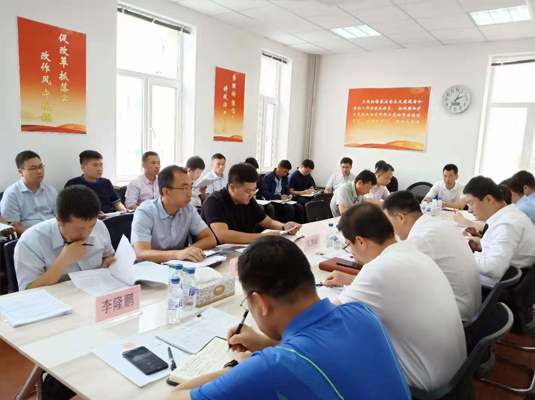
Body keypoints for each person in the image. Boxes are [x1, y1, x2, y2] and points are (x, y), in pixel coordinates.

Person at [165, 236, 411, 400]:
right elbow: (322, 349)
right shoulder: (361, 312)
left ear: (260, 302)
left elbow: (173, 397)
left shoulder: (273, 366)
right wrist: (264, 344)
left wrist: (240, 367)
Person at [324, 203, 466, 391]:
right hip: (455, 372)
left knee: (337, 353)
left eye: (349, 245)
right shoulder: (413, 253)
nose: (351, 253)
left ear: (360, 241)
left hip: (425, 383)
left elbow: (325, 318)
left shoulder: (379, 269)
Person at [383, 191, 481, 320]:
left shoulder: (422, 238)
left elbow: (393, 276)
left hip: (458, 313)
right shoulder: (437, 224)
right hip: (470, 305)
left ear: (401, 217)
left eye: (387, 222)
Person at [14, 185, 115, 291]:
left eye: (91, 226)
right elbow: (28, 291)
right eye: (79, 229)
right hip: (57, 297)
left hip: (96, 291)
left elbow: (108, 255)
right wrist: (64, 261)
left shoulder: (99, 226)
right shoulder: (31, 241)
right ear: (59, 220)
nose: (86, 234)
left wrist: (105, 266)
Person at [131, 165, 217, 263]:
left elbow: (210, 239)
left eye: (191, 187)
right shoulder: (145, 212)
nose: (190, 194)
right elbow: (141, 253)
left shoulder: (188, 209)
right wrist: (177, 254)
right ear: (166, 191)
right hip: (151, 268)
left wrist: (188, 251)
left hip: (177, 266)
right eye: (185, 188)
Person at [462, 176, 535, 287]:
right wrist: (482, 244)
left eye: (471, 203)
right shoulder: (509, 216)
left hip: (492, 288)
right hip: (500, 281)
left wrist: (462, 254)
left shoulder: (507, 224)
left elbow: (493, 268)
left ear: (488, 199)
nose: (470, 210)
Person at [201, 163, 300, 244]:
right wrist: (263, 237)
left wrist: (284, 226)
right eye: (248, 191)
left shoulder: (248, 200)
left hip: (242, 249)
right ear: (232, 187)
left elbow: (267, 222)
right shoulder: (214, 201)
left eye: (254, 190)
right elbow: (223, 236)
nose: (252, 194)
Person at [0, 151, 57, 235]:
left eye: (41, 167)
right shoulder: (12, 194)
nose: (39, 171)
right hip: (30, 237)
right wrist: (39, 235)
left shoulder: (51, 191)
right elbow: (14, 227)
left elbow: (60, 218)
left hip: (55, 233)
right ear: (21, 172)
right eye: (33, 168)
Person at [65, 150, 126, 215]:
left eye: (101, 165)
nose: (99, 169)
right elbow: (70, 210)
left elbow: (117, 203)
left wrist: (125, 212)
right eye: (95, 165)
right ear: (83, 167)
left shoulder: (106, 182)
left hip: (110, 217)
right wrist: (93, 217)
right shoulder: (73, 184)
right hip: (86, 219)